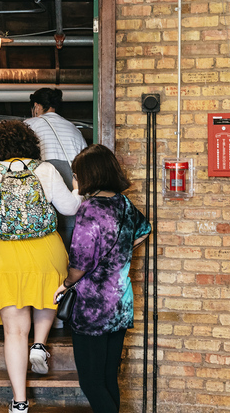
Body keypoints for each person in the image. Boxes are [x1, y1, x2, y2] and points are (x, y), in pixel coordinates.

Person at [0, 120, 81, 413]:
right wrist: (77, 189)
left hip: (4, 256)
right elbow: (70, 208)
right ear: (31, 144)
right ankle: (39, 344)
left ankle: (19, 401)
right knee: (45, 297)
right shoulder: (46, 170)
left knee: (14, 331)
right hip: (46, 250)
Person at [53, 144, 151, 413]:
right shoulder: (124, 203)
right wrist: (119, 253)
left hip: (92, 308)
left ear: (89, 175)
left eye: (76, 174)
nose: (74, 179)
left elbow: (80, 264)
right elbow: (145, 230)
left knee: (91, 382)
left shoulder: (90, 209)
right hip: (121, 303)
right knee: (108, 379)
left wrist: (65, 285)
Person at [24, 87, 88, 249]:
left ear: (37, 106)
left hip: (40, 204)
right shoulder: (74, 130)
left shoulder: (28, 126)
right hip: (72, 201)